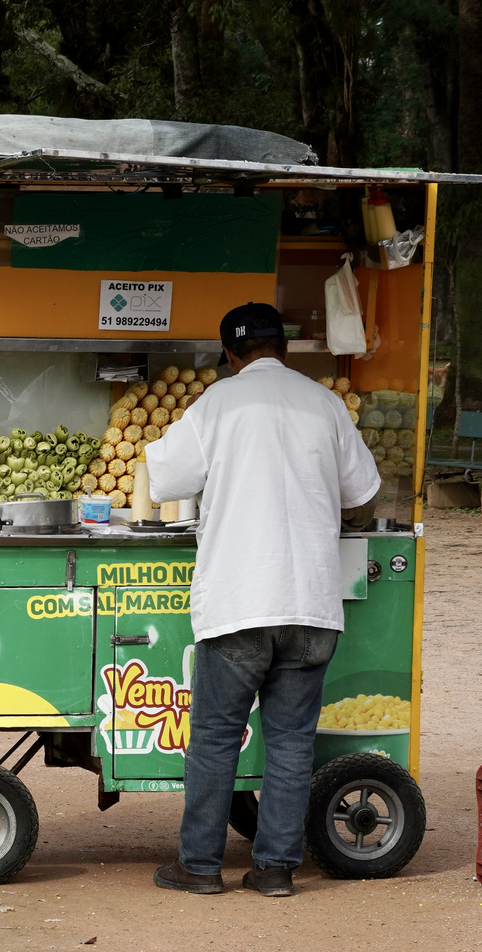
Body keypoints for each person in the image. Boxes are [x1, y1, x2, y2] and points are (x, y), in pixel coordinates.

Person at [145, 303, 379, 899]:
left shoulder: (218, 403)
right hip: (311, 604)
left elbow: (164, 478)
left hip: (239, 603)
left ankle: (199, 865)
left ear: (229, 354)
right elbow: (363, 494)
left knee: (217, 737)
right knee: (293, 741)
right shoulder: (324, 404)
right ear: (286, 346)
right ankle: (275, 868)